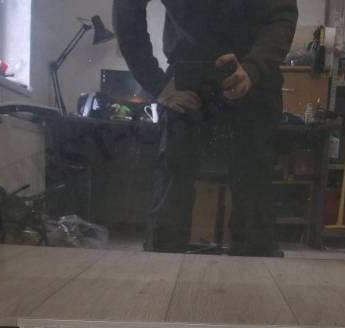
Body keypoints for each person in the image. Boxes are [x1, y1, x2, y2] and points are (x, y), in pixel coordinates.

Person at [113, 0, 298, 256]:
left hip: (250, 73)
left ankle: (254, 258)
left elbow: (282, 15)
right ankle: (163, 259)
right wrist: (156, 84)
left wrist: (253, 68)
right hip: (191, 74)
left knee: (253, 173)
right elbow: (127, 9)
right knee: (175, 168)